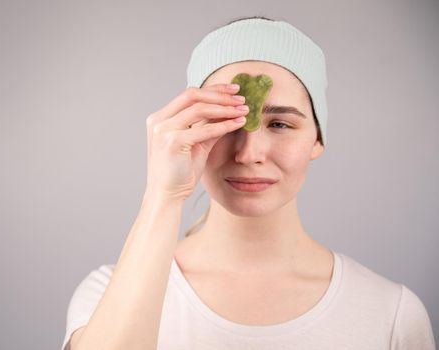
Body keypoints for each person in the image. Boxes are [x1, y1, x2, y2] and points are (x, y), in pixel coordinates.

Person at [61, 16, 436, 350]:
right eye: (226, 123)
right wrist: (163, 194)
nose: (248, 153)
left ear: (317, 139)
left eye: (279, 124)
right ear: (192, 131)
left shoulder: (390, 314)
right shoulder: (106, 295)